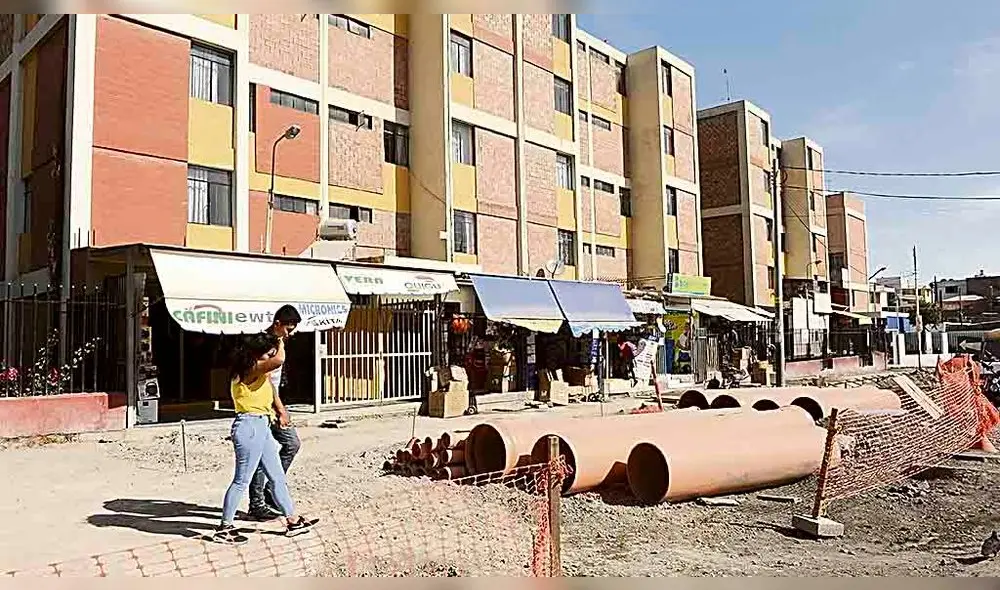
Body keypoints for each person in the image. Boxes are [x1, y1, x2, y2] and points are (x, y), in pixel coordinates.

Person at [216, 332, 316, 543]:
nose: (271, 356)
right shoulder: (249, 369)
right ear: (256, 354)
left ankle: (292, 520)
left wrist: (280, 411)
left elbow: (271, 390)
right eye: (267, 353)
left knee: (277, 477)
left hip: (262, 425)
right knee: (241, 480)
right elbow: (279, 359)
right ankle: (224, 528)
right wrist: (280, 338)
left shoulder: (261, 372)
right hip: (249, 426)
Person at [247, 305, 302, 521]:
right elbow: (267, 380)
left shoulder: (278, 342)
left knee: (291, 445)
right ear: (277, 324)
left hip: (272, 403)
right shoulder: (266, 344)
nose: (289, 334)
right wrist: (280, 410)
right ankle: (258, 503)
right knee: (264, 455)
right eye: (287, 329)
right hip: (264, 406)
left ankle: (270, 492)